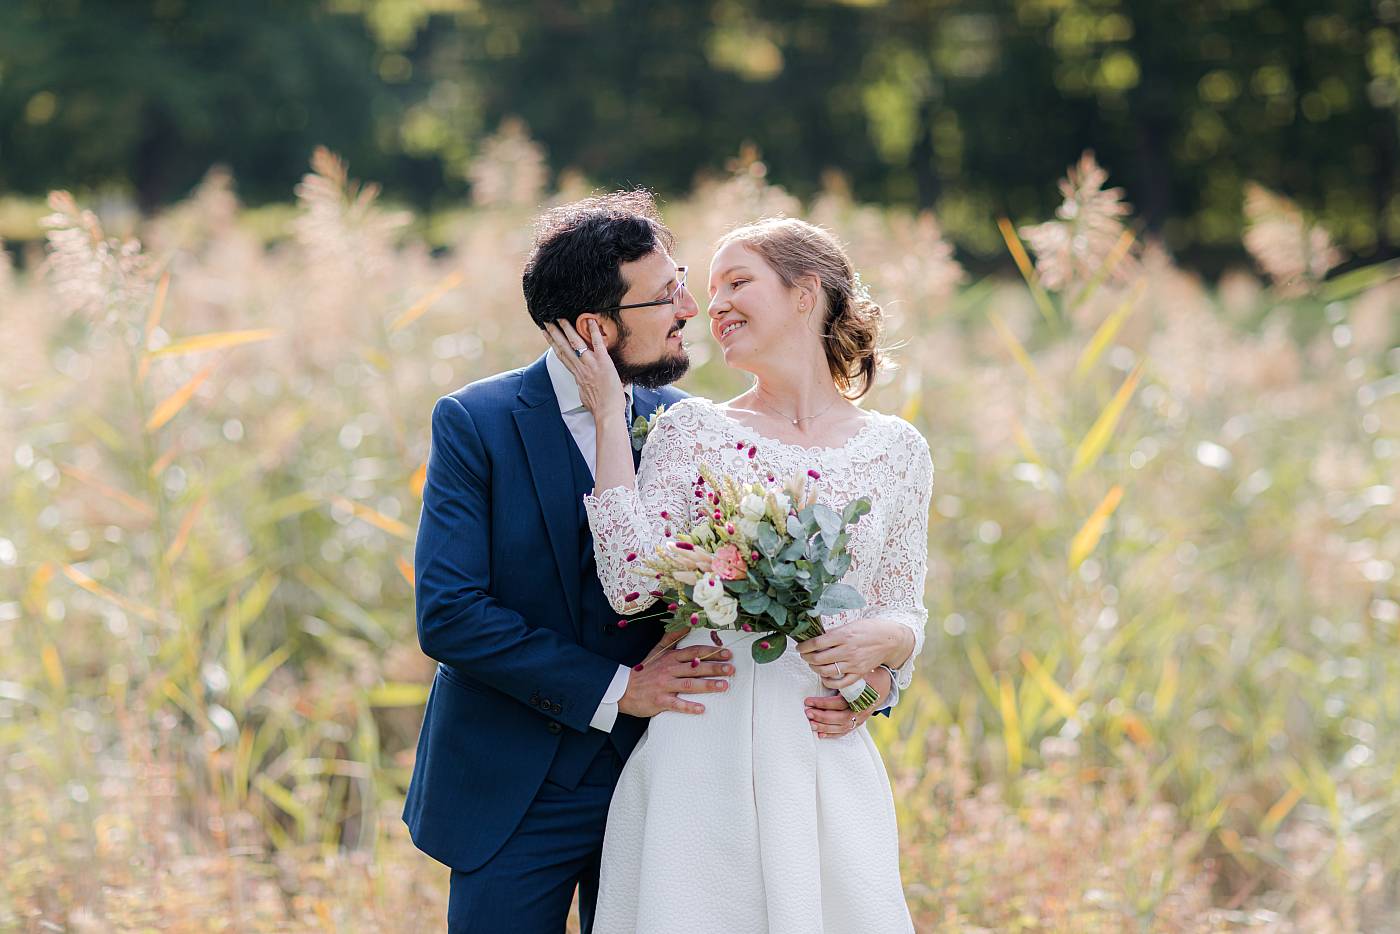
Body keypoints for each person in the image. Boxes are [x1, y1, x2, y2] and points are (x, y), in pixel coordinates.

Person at [402, 193, 890, 933]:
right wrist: (617, 689)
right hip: (514, 788)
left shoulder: (693, 425)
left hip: (672, 778)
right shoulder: (479, 422)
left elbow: (813, 591)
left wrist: (874, 683)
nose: (690, 308)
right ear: (597, 327)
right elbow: (450, 614)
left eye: (685, 281)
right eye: (666, 295)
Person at [544, 216, 932, 933]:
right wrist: (607, 415)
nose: (710, 304)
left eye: (736, 282)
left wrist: (881, 669)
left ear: (805, 293)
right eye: (706, 286)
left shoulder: (897, 449)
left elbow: (905, 608)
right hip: (705, 744)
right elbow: (632, 583)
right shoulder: (692, 431)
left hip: (820, 749)